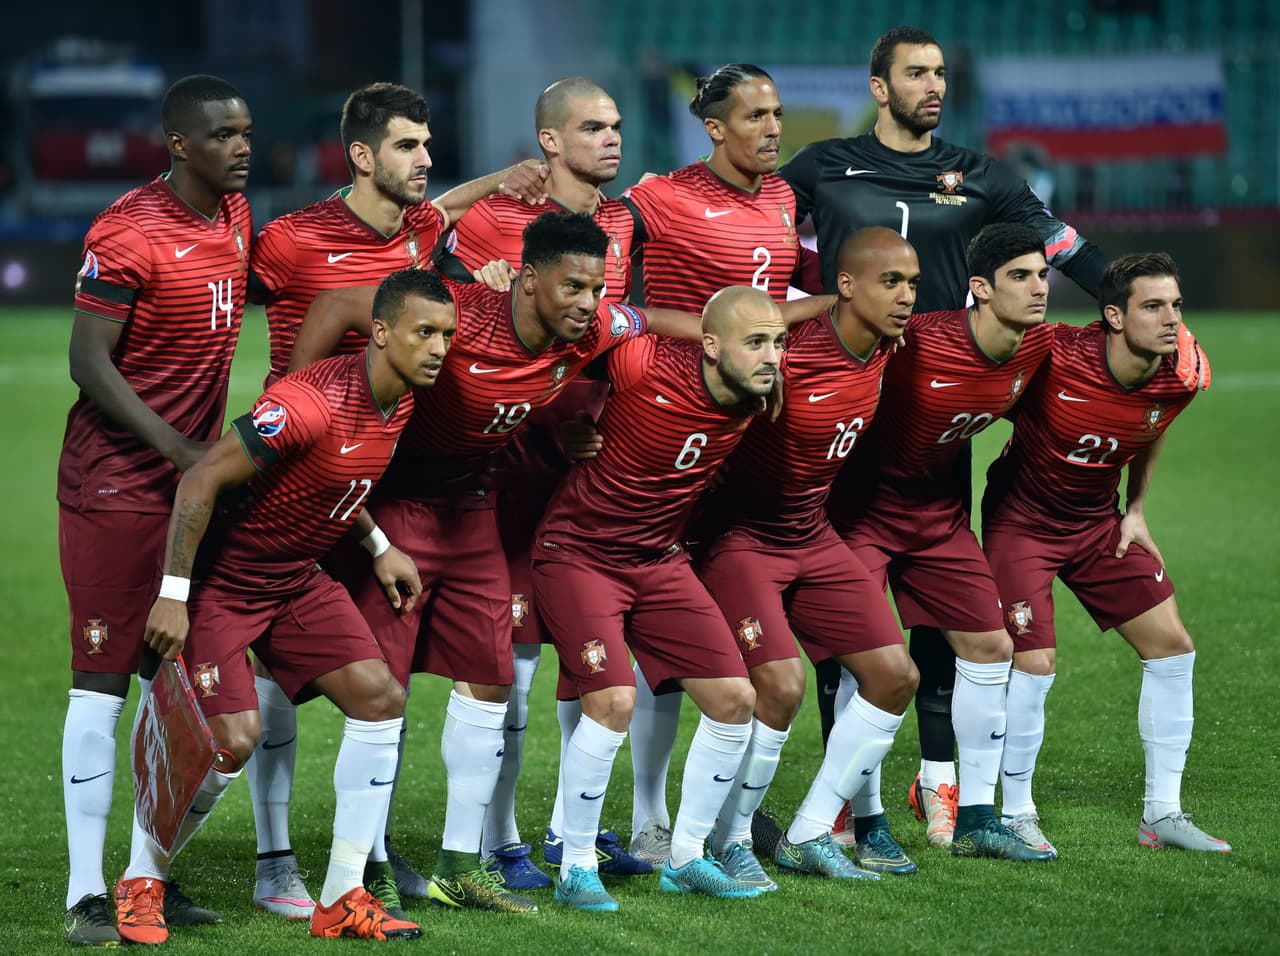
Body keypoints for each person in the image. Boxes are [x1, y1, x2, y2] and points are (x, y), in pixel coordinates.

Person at [288, 211, 717, 914]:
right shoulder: (460, 314)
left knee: (489, 685)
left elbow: (651, 320)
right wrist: (307, 400)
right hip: (397, 504)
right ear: (526, 280)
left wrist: (734, 327)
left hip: (473, 509)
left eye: (597, 287)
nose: (588, 302)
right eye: (573, 286)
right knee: (383, 695)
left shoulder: (593, 327)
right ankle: (367, 862)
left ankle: (462, 863)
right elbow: (336, 304)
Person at [778, 26, 1109, 846]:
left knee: (937, 621)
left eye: (940, 73)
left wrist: (1130, 303)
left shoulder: (985, 175)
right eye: (915, 73)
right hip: (849, 409)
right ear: (879, 85)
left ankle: (940, 784)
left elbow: (1062, 247)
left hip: (938, 412)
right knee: (844, 627)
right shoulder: (823, 165)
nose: (934, 86)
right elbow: (752, 240)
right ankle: (852, 805)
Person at [244, 80, 547, 918]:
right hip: (301, 471)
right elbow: (238, 300)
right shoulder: (292, 239)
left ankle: (371, 858)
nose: (423, 158)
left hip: (384, 479)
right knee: (283, 674)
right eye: (407, 146)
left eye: (426, 143)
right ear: (363, 156)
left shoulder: (422, 230)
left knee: (381, 681)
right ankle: (274, 861)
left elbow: (439, 213)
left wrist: (496, 184)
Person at [112, 267, 454, 945]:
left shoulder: (403, 400)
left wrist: (380, 543)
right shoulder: (308, 403)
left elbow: (338, 478)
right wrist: (175, 595)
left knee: (380, 698)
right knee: (231, 743)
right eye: (424, 332)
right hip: (224, 582)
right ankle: (141, 878)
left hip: (294, 579)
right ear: (381, 333)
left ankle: (341, 897)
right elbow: (202, 476)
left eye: (447, 333)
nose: (440, 347)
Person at [433, 77, 649, 887]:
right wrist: (474, 276)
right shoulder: (495, 221)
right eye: (593, 126)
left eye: (618, 124)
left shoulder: (624, 220)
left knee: (582, 657)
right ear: (550, 142)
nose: (612, 138)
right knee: (507, 661)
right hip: (508, 465)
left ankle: (569, 833)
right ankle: (499, 839)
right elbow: (423, 268)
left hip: (587, 466)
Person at [57, 74, 252, 947]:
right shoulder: (129, 231)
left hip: (188, 494)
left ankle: (145, 880)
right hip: (113, 486)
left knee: (175, 685)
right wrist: (176, 449)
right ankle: (80, 892)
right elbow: (88, 362)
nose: (242, 146)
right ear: (181, 144)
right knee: (99, 681)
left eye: (246, 131)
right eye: (223, 135)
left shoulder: (235, 217)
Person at [617, 62, 822, 866]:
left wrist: (838, 306)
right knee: (662, 650)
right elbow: (596, 278)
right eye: (756, 117)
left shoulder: (782, 200)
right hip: (668, 435)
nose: (774, 129)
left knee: (729, 647)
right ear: (713, 127)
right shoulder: (656, 197)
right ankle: (645, 818)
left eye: (777, 114)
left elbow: (783, 305)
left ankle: (728, 820)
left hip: (750, 443)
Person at [532, 286, 786, 912]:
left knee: (735, 700)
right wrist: (562, 421)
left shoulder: (760, 390)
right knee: (614, 700)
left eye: (777, 343)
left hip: (658, 560)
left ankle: (687, 857)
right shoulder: (642, 364)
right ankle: (577, 864)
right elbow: (549, 347)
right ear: (709, 346)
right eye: (755, 342)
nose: (772, 357)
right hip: (578, 554)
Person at [826, 222, 1062, 862]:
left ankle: (979, 819)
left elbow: (1109, 356)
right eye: (1021, 276)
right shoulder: (914, 344)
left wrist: (1177, 348)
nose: (1038, 287)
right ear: (980, 289)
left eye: (1043, 274)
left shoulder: (1040, 347)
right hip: (860, 514)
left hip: (938, 519)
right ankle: (861, 818)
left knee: (990, 646)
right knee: (874, 663)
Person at [695, 228, 920, 887]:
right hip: (741, 538)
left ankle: (810, 830)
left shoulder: (881, 347)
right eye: (890, 283)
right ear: (844, 289)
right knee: (784, 685)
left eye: (911, 283)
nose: (906, 297)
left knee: (893, 675)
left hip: (813, 536)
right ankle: (732, 838)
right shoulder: (785, 361)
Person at [982, 253, 1227, 855]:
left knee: (1173, 648)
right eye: (1152, 307)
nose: (1170, 319)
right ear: (1113, 316)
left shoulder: (1185, 374)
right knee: (1035, 667)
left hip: (1099, 525)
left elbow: (1155, 421)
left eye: (1176, 306)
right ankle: (1014, 812)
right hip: (1021, 525)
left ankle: (1162, 815)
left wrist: (1137, 506)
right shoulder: (1054, 353)